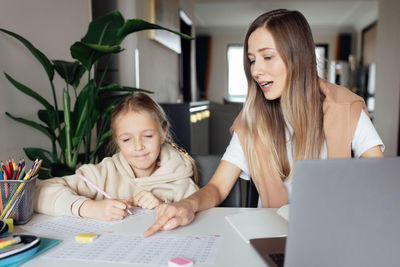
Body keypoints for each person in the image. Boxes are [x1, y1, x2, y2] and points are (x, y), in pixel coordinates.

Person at [144, 9, 384, 237]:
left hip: (334, 236)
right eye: (252, 60)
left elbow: (380, 180)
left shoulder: (346, 107)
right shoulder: (251, 121)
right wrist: (186, 205)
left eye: (267, 57)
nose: (256, 70)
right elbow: (217, 187)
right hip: (271, 239)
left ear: (298, 57)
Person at [34, 93, 199, 221]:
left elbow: (201, 217)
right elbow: (38, 193)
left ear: (163, 132)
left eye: (148, 136)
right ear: (117, 141)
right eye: (127, 139)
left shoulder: (179, 174)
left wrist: (163, 206)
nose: (138, 146)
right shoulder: (104, 173)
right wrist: (91, 208)